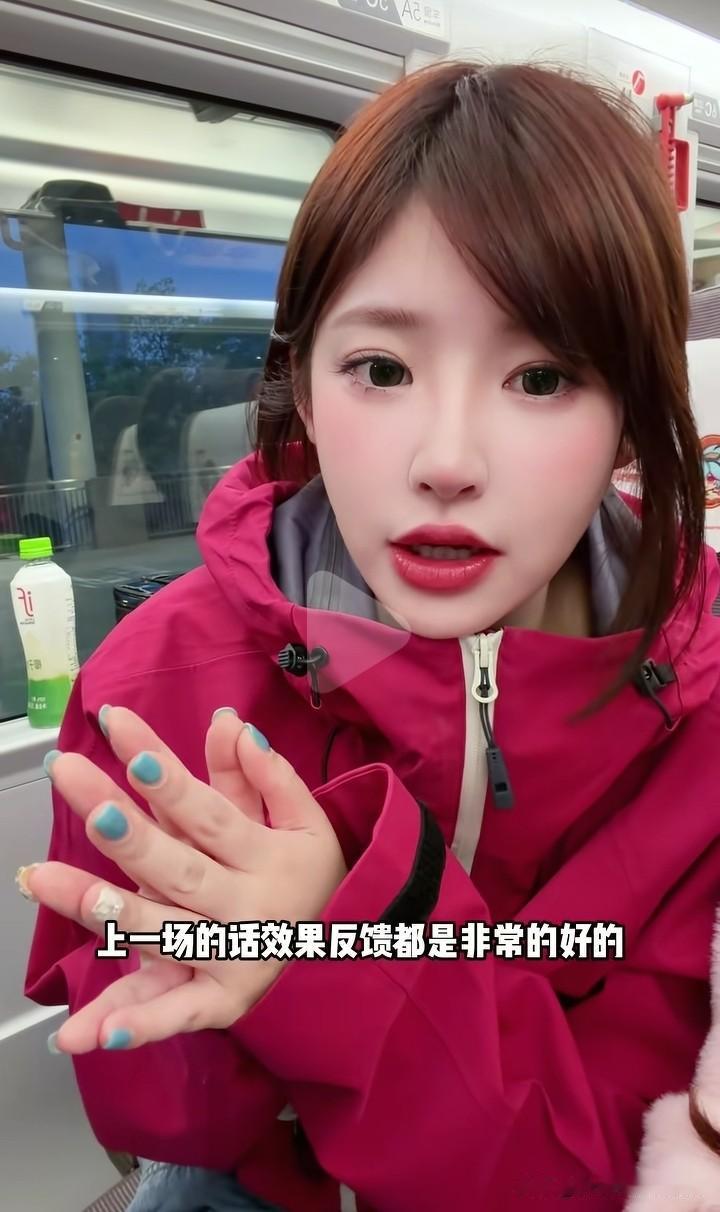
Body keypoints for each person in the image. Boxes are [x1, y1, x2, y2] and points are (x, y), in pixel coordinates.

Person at [16, 60, 720, 1212]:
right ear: (300, 381)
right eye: (380, 368)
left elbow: (606, 1167)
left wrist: (344, 945)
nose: (447, 460)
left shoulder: (707, 719)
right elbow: (158, 1121)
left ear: (633, 419)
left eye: (542, 376)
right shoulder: (160, 682)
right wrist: (215, 978)